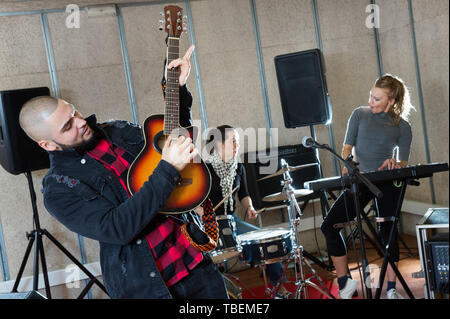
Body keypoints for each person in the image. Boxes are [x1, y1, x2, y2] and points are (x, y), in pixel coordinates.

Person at [19, 45, 228, 299]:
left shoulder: (117, 130)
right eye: (68, 126)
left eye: (74, 112)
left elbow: (174, 140)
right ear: (47, 144)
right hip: (148, 290)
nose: (81, 122)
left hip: (196, 266)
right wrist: (168, 168)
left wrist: (178, 90)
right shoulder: (59, 190)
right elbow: (118, 228)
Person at [320, 74, 413, 299]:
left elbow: (404, 162)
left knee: (387, 233)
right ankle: (345, 283)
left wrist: (396, 163)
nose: (371, 101)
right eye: (371, 96)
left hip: (388, 182)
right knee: (329, 226)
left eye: (377, 99)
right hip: (359, 180)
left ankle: (391, 290)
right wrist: (347, 162)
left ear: (391, 101)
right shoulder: (359, 114)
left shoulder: (403, 126)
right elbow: (346, 148)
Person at [205, 125, 291, 299]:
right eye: (233, 141)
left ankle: (278, 289)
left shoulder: (238, 167)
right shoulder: (204, 169)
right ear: (220, 144)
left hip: (232, 220)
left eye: (238, 141)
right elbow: (195, 198)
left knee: (267, 242)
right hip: (208, 224)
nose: (237, 145)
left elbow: (244, 194)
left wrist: (249, 207)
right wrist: (200, 211)